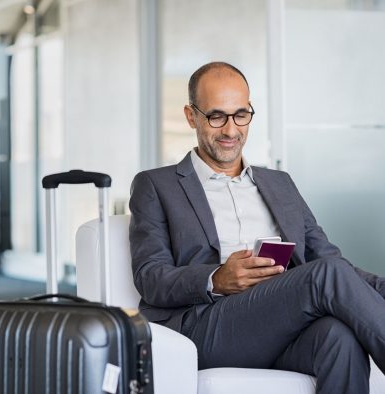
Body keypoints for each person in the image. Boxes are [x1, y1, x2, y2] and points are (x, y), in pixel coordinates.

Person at [129, 61, 385, 394]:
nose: (231, 130)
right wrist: (216, 278)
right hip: (207, 326)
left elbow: (328, 258)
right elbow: (150, 276)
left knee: (339, 337)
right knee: (325, 275)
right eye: (216, 116)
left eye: (241, 115)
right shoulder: (156, 185)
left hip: (279, 322)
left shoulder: (279, 183)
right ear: (192, 116)